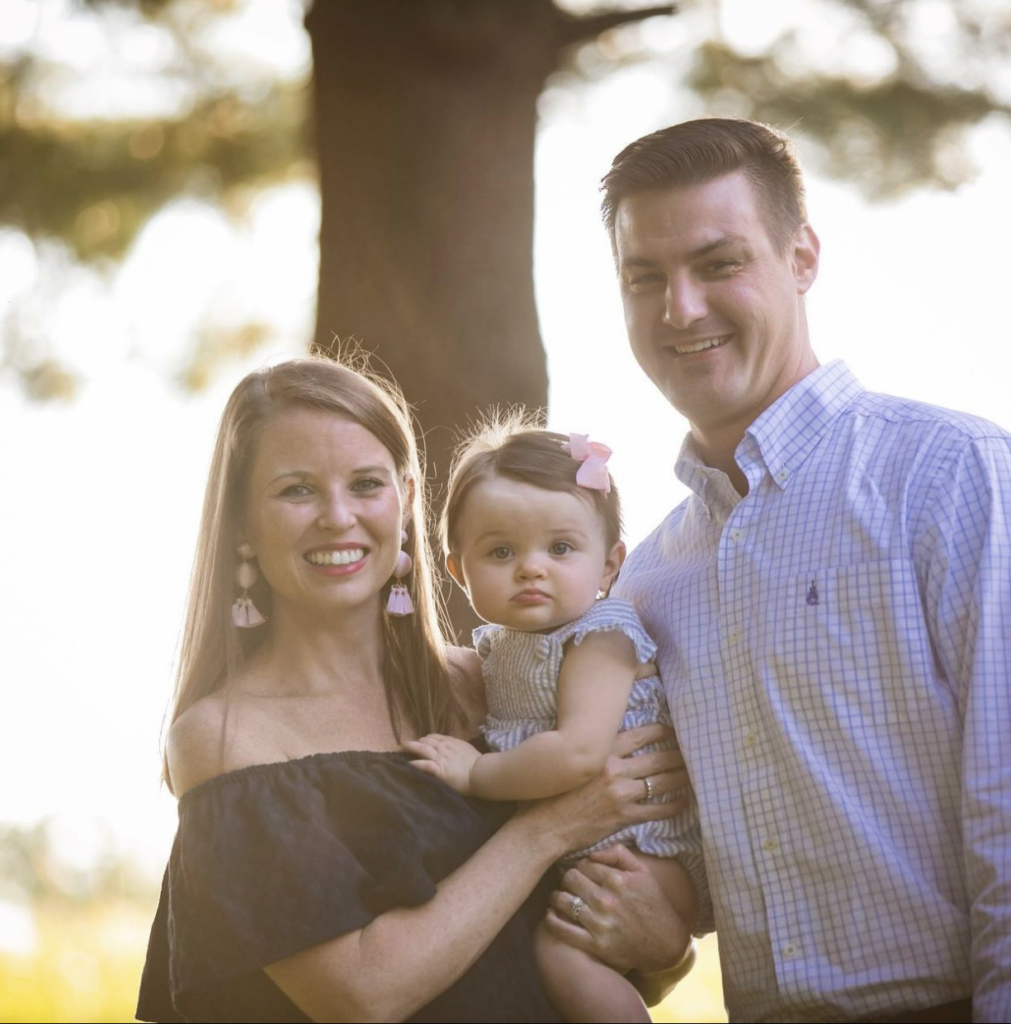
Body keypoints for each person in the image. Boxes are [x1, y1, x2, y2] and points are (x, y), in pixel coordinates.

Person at [547, 117, 1011, 1023]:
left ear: (801, 257)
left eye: (717, 263)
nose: (680, 308)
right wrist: (665, 934)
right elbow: (693, 860)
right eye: (645, 278)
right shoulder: (645, 583)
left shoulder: (953, 475)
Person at [135, 355, 692, 1024]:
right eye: (297, 490)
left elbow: (612, 951)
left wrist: (668, 949)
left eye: (366, 484)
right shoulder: (227, 737)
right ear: (243, 523)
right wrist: (546, 829)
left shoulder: (492, 685)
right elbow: (361, 996)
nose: (337, 517)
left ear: (403, 503)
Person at [404, 420, 704, 1022]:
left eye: (560, 548)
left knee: (562, 950)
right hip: (594, 848)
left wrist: (476, 774)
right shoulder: (497, 650)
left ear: (610, 565)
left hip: (647, 852)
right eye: (501, 552)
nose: (530, 568)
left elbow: (578, 753)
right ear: (459, 571)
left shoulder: (602, 636)